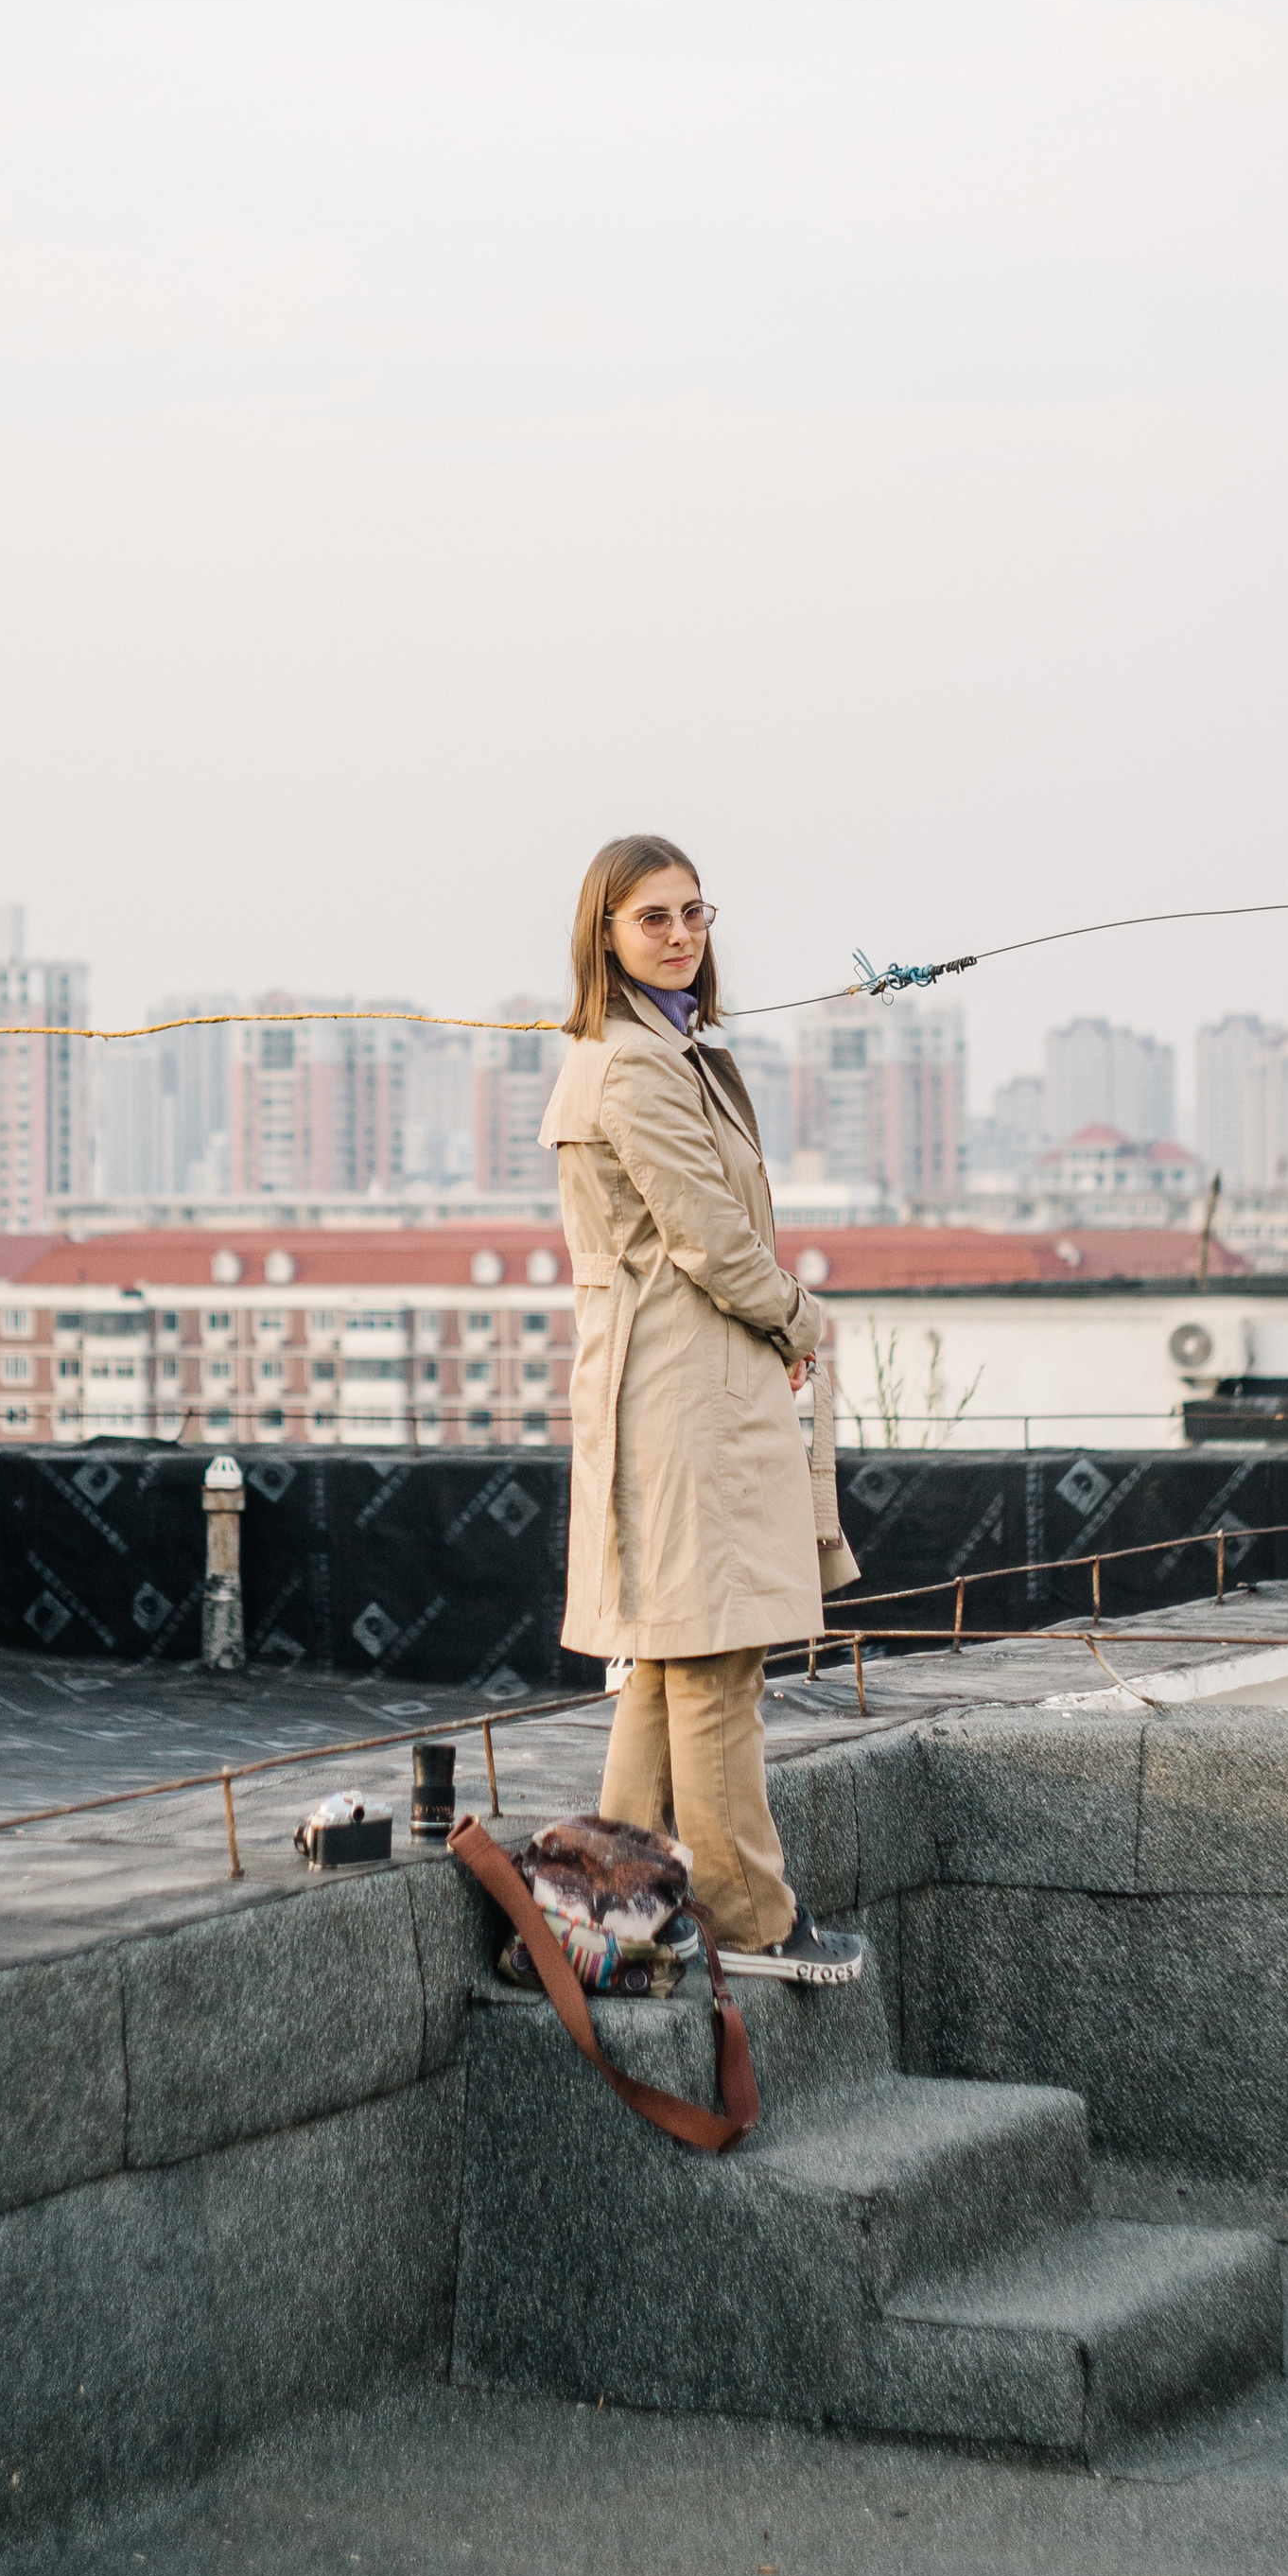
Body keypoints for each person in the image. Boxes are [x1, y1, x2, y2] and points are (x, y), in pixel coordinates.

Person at [538, 832, 867, 1986]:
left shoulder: (657, 1048)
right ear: (605, 936)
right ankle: (749, 1920)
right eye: (652, 919)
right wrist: (799, 1317)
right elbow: (708, 1236)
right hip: (684, 1389)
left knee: (673, 1658)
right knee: (717, 1665)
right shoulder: (632, 1062)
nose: (681, 934)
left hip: (679, 1383)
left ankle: (598, 1911)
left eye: (693, 912)